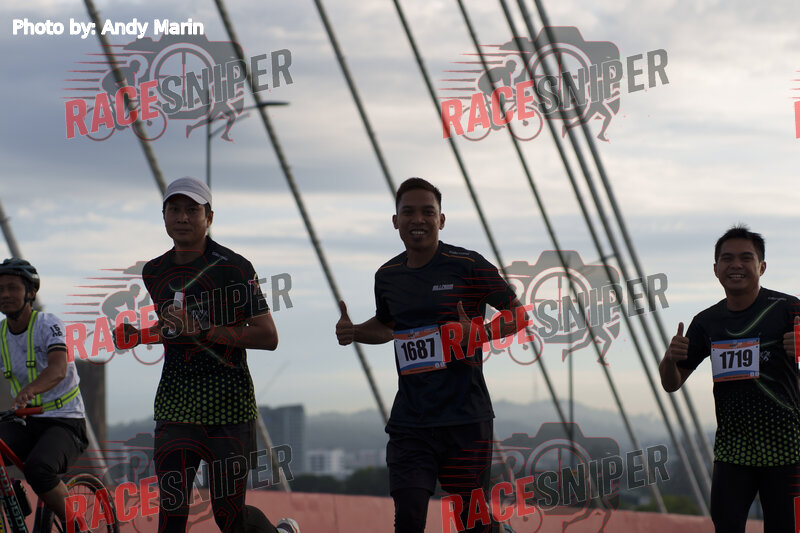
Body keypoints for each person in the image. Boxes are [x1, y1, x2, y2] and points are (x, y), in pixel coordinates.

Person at [336, 177, 524, 533]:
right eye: (408, 212)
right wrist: (356, 332)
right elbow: (388, 326)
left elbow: (519, 315)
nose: (418, 219)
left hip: (465, 419)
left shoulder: (468, 265)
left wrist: (481, 333)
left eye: (428, 212)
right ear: (396, 221)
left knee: (472, 524)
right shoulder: (387, 276)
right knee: (408, 519)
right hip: (411, 422)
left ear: (442, 220)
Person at [114, 177, 299, 533]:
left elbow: (268, 336)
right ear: (163, 216)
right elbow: (174, 329)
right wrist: (139, 336)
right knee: (171, 515)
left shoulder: (235, 268)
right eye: (174, 209)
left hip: (229, 406)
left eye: (192, 210)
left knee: (229, 517)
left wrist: (203, 330)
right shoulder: (154, 271)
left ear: (209, 217)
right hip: (175, 404)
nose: (182, 217)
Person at [659, 225, 800, 532]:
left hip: (788, 450)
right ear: (716, 269)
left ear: (761, 267)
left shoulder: (790, 309)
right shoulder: (706, 322)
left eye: (746, 258)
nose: (736, 265)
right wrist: (669, 359)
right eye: (727, 258)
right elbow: (672, 383)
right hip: (733, 453)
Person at [0, 258, 88, 525]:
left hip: (65, 421)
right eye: (0, 289)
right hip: (26, 420)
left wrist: (29, 390)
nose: (5, 294)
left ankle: (78, 527)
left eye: (13, 288)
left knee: (39, 470)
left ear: (30, 292)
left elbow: (58, 369)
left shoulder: (48, 324)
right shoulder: (1, 334)